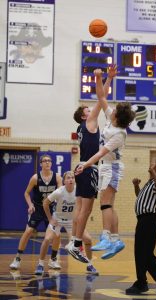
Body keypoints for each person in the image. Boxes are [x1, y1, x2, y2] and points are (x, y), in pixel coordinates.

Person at [75, 68, 135, 260]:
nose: (112, 108)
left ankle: (106, 237)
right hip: (107, 167)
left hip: (112, 167)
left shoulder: (119, 134)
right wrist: (101, 77)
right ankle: (116, 240)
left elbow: (101, 152)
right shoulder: (112, 119)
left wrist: (85, 165)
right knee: (109, 204)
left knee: (105, 204)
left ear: (118, 116)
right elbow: (101, 97)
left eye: (115, 109)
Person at [65, 66, 117, 263]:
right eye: (88, 110)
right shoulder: (90, 122)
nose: (91, 110)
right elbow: (101, 97)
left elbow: (100, 99)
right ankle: (76, 243)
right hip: (89, 168)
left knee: (79, 207)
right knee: (86, 209)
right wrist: (104, 78)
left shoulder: (81, 127)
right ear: (85, 116)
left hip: (81, 167)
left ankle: (73, 241)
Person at [34, 171, 99, 276]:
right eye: (68, 178)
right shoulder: (59, 191)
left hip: (72, 221)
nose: (71, 180)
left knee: (88, 239)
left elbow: (83, 208)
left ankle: (90, 264)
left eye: (72, 177)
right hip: (58, 219)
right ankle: (40, 264)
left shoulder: (79, 191)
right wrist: (50, 219)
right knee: (47, 239)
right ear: (64, 181)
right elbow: (45, 203)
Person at [125, 160, 156, 295]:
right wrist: (136, 186)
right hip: (143, 220)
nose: (153, 163)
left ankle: (143, 283)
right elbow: (140, 196)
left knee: (143, 253)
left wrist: (152, 172)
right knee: (142, 253)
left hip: (150, 220)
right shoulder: (150, 182)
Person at [10, 154, 62, 270]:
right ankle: (17, 258)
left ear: (51, 163)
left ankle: (53, 259)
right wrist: (30, 204)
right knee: (28, 231)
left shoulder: (57, 178)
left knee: (57, 234)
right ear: (41, 164)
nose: (47, 163)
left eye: (49, 161)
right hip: (38, 208)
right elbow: (26, 193)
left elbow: (61, 194)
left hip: (51, 209)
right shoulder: (35, 178)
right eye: (45, 161)